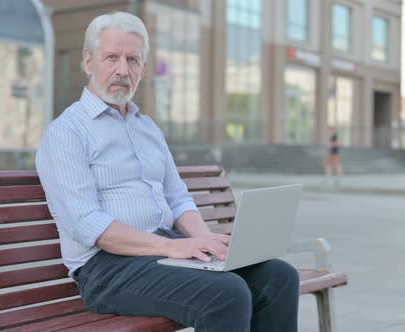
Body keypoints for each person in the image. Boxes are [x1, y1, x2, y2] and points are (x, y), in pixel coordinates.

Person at [35, 12, 299, 332]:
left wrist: (204, 240)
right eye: (111, 58)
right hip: (106, 267)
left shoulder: (147, 128)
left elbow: (177, 197)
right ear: (88, 62)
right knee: (227, 294)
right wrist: (171, 247)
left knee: (280, 278)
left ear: (143, 68)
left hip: (162, 252)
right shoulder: (66, 132)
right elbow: (86, 224)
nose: (122, 69)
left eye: (132, 60)